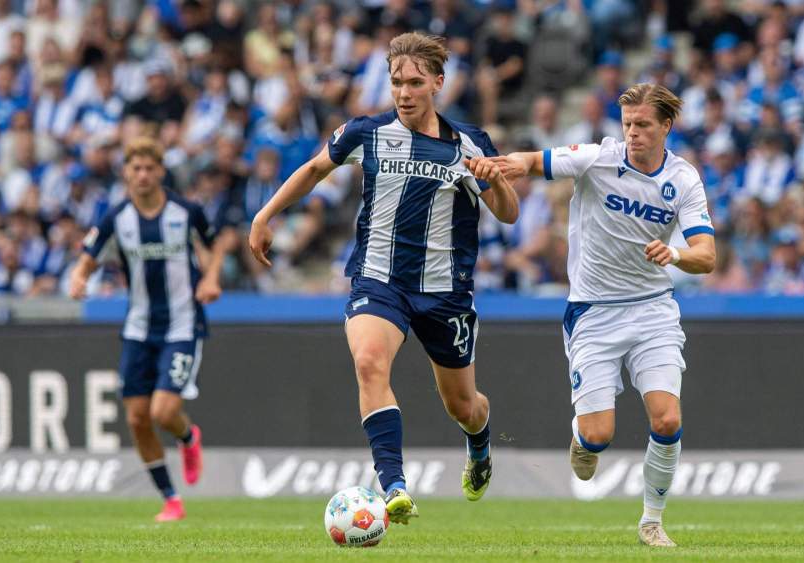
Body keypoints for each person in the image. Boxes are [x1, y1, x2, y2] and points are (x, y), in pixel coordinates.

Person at [248, 33, 518, 525]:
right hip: (379, 280)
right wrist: (265, 215)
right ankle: (394, 485)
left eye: (414, 83)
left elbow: (509, 213)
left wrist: (495, 180)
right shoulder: (366, 132)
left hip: (445, 292)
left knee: (464, 406)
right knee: (370, 361)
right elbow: (314, 168)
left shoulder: (469, 143)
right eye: (396, 82)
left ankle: (479, 443)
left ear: (438, 83)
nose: (404, 93)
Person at [494, 84, 716, 547]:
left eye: (643, 125)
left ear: (666, 127)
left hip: (652, 311)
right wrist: (505, 164)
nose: (633, 133)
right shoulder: (597, 159)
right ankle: (584, 437)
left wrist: (675, 254)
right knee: (599, 435)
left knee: (667, 420)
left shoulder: (684, 180)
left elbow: (707, 255)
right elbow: (532, 161)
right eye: (628, 124)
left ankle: (652, 521)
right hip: (594, 313)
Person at [68, 137, 228, 522]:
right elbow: (88, 256)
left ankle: (187, 436)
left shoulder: (186, 211)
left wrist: (211, 278)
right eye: (135, 168)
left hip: (182, 326)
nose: (142, 175)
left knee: (163, 411)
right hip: (138, 328)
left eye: (149, 168)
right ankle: (171, 499)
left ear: (160, 171)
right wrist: (79, 277)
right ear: (126, 172)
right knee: (137, 418)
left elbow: (214, 247)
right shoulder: (116, 217)